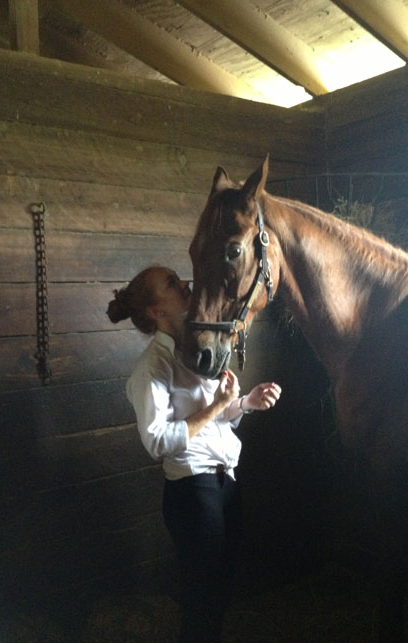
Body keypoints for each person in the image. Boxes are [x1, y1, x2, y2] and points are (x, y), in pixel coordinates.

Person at [107, 266, 281, 642]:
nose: (184, 283)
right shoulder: (152, 368)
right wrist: (219, 406)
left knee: (219, 591)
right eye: (171, 283)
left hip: (223, 483)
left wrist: (245, 403)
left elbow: (214, 422)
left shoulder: (195, 349)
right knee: (203, 598)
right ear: (156, 311)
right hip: (192, 491)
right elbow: (157, 441)